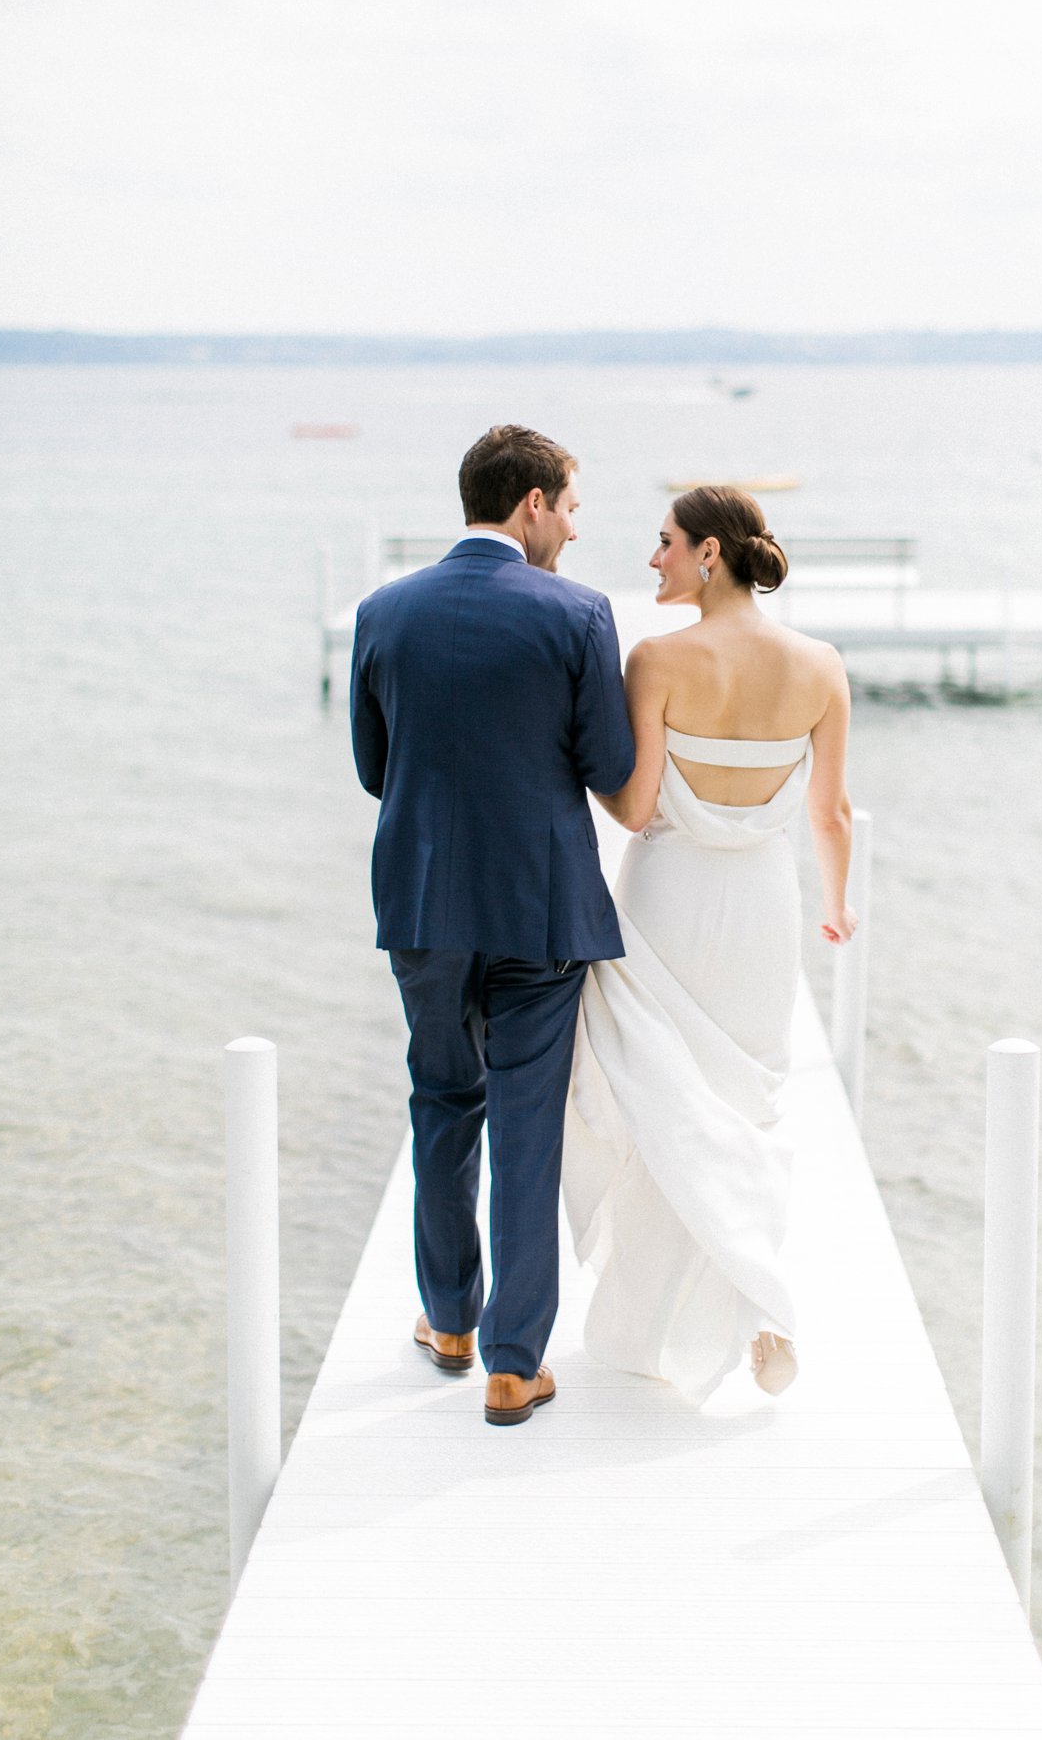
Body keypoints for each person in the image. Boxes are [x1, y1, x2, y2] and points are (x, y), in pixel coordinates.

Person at [350, 426, 635, 1426]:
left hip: (424, 902)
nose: (571, 522)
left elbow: (372, 768)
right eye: (567, 503)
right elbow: (607, 765)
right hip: (539, 905)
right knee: (526, 1126)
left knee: (441, 1100)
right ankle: (515, 1362)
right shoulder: (579, 613)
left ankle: (449, 1321)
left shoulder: (382, 610)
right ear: (529, 504)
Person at [564, 486, 855, 1406]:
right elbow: (830, 812)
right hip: (763, 909)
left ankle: (667, 1319)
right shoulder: (821, 665)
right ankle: (752, 1297)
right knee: (743, 1106)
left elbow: (638, 806)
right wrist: (838, 909)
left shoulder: (655, 659)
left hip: (667, 902)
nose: (653, 560)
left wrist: (582, 779)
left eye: (664, 543)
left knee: (660, 1103)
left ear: (711, 554)